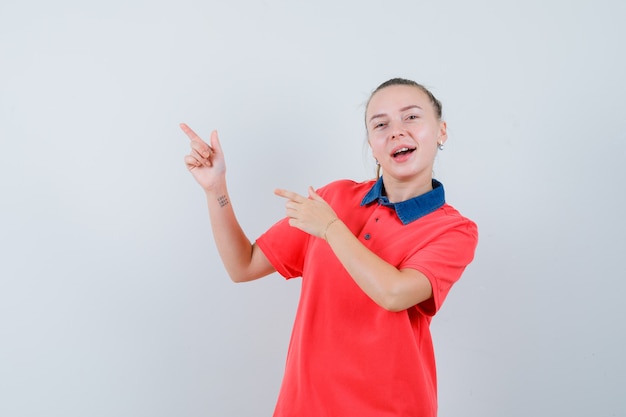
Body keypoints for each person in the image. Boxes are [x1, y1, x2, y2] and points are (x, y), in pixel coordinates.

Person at [181, 78, 478, 417]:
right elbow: (243, 265)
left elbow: (394, 294)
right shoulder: (335, 198)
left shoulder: (453, 230)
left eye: (411, 117)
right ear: (372, 143)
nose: (396, 131)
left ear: (441, 131)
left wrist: (330, 228)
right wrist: (215, 187)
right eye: (380, 124)